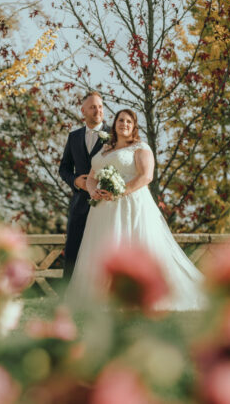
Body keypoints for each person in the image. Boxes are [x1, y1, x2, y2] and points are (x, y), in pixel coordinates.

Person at [66, 109, 207, 310]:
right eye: (121, 120)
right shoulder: (105, 149)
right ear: (114, 124)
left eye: (129, 122)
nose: (124, 124)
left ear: (134, 126)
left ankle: (139, 293)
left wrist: (119, 192)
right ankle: (100, 296)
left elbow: (145, 177)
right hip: (102, 209)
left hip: (130, 205)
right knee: (103, 247)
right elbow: (91, 177)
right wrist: (92, 190)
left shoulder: (140, 148)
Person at [59, 92, 111, 282]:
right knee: (73, 250)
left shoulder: (114, 135)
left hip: (106, 204)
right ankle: (67, 295)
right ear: (83, 111)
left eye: (100, 106)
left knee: (103, 251)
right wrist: (76, 181)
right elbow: (63, 168)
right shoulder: (73, 137)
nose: (98, 110)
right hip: (80, 203)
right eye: (93, 107)